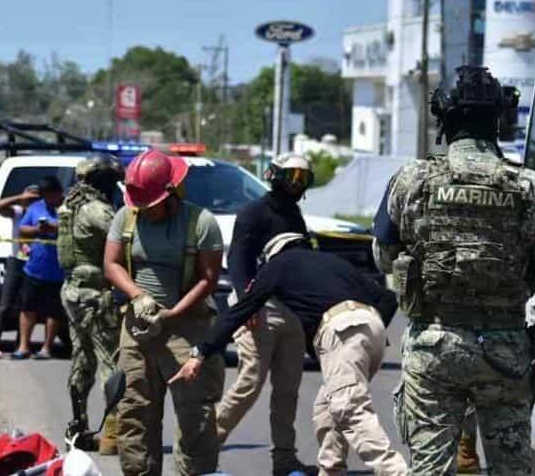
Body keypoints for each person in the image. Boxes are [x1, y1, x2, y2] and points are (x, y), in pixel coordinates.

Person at [372, 66, 535, 476]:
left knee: (429, 470)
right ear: (499, 118)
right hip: (507, 351)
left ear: (442, 117)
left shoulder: (411, 180)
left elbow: (383, 253)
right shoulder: (532, 188)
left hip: (433, 347)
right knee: (513, 469)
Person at [170, 232, 408, 476]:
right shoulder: (332, 264)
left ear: (272, 254)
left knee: (349, 408)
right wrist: (366, 330)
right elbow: (388, 298)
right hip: (372, 328)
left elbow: (240, 311)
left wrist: (200, 352)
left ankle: (396, 471)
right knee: (326, 407)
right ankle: (331, 470)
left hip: (342, 330)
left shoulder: (278, 266)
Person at [104, 149, 225, 476]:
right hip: (138, 328)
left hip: (187, 329)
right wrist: (138, 295)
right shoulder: (125, 217)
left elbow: (208, 279)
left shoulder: (201, 223)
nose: (144, 211)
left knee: (195, 414)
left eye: (151, 205)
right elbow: (112, 264)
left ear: (170, 194)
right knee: (134, 411)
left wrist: (171, 315)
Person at [219, 152, 314, 475]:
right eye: (293, 177)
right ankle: (204, 447)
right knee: (249, 382)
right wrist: (249, 304)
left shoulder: (294, 215)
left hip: (291, 311)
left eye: (304, 178)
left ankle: (284, 459)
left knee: (288, 390)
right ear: (275, 175)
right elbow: (238, 261)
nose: (297, 184)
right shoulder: (253, 212)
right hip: (258, 308)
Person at [58, 154, 125, 455]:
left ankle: (79, 427)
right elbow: (126, 238)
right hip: (96, 295)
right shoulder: (97, 210)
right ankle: (113, 434)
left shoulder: (68, 206)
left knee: (81, 359)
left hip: (73, 291)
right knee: (110, 362)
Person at [14, 176, 65, 360]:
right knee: (28, 308)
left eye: (52, 195)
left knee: (54, 311)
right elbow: (22, 229)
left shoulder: (68, 208)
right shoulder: (36, 207)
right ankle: (24, 346)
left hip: (59, 272)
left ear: (59, 192)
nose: (49, 200)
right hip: (34, 269)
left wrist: (55, 228)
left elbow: (75, 228)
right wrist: (39, 230)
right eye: (46, 196)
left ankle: (46, 348)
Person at [0, 184, 40, 359]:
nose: (33, 200)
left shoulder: (38, 214)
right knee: (5, 305)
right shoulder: (18, 211)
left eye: (36, 197)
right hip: (15, 260)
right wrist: (21, 197)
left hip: (33, 263)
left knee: (26, 306)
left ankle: (22, 343)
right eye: (31, 197)